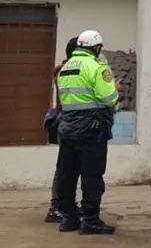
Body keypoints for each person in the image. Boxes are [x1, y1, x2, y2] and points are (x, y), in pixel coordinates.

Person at [55, 30, 119, 235]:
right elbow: (109, 98)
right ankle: (90, 220)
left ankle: (69, 218)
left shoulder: (65, 68)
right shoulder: (97, 67)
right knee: (92, 175)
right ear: (97, 48)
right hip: (92, 129)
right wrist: (114, 88)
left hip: (67, 128)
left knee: (68, 174)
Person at [44, 37, 80, 224]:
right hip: (67, 123)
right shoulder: (65, 70)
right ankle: (56, 206)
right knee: (64, 168)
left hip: (71, 124)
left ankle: (67, 204)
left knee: (71, 167)